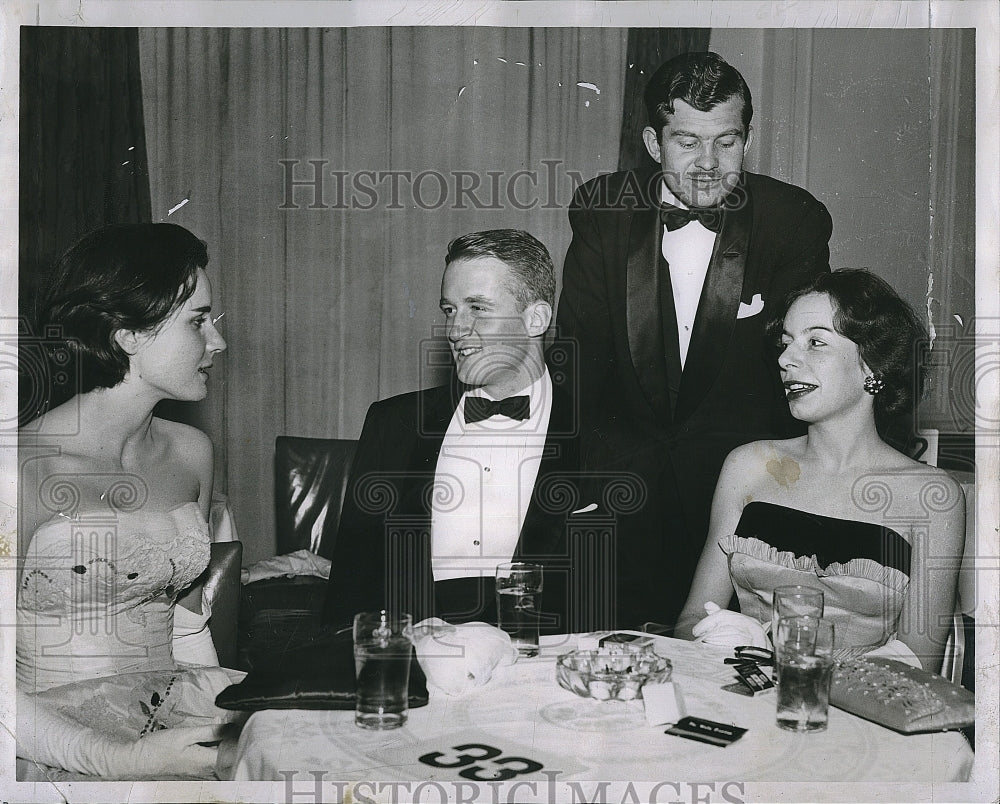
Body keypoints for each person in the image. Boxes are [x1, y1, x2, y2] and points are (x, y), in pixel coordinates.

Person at [556, 51, 834, 629]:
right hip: (619, 496)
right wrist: (572, 487)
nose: (709, 164)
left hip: (743, 506)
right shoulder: (602, 210)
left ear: (747, 137)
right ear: (653, 144)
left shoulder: (793, 219)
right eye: (687, 142)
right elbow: (576, 363)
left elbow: (806, 376)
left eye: (727, 143)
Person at [16, 222, 243, 780]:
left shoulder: (191, 451)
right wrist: (120, 760)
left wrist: (215, 729)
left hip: (169, 719)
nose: (217, 342)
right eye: (197, 321)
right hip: (45, 743)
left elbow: (186, 623)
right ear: (129, 335)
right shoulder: (20, 471)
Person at [674, 269, 965, 673]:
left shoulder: (930, 495)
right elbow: (688, 623)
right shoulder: (748, 466)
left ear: (872, 365)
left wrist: (786, 659)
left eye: (815, 342)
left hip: (863, 721)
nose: (786, 359)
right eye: (785, 342)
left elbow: (919, 666)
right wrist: (723, 639)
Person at [323, 230, 610, 633]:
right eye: (449, 310)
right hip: (417, 672)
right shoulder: (394, 423)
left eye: (477, 308)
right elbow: (350, 590)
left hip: (544, 674)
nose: (456, 329)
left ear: (536, 319)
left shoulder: (606, 433)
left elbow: (622, 600)